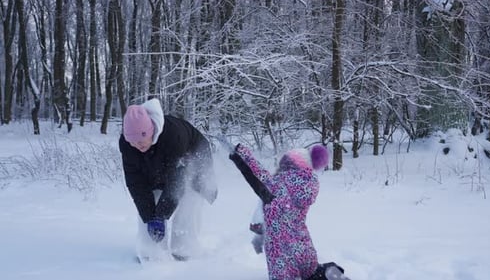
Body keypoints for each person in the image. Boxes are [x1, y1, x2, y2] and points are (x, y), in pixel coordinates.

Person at [226, 142, 349, 280]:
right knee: (313, 274)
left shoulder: (276, 185)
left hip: (281, 252)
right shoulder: (309, 184)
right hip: (304, 247)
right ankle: (330, 275)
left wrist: (240, 154)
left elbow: (256, 174)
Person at [119, 98, 217, 262]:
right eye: (133, 142)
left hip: (193, 159)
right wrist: (150, 217)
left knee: (188, 198)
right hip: (158, 166)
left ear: (150, 131)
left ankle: (184, 249)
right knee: (150, 205)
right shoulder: (128, 145)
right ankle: (151, 252)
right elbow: (136, 183)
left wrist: (161, 216)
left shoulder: (173, 136)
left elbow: (176, 182)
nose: (137, 145)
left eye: (141, 140)